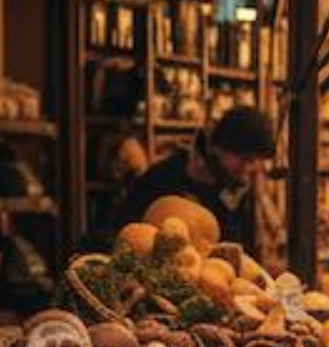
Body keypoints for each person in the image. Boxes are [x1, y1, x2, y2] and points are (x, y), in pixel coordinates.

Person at [115, 106, 275, 252]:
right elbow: (123, 237)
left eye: (254, 162)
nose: (247, 170)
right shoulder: (161, 179)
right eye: (245, 159)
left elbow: (243, 249)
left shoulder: (235, 188)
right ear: (217, 147)